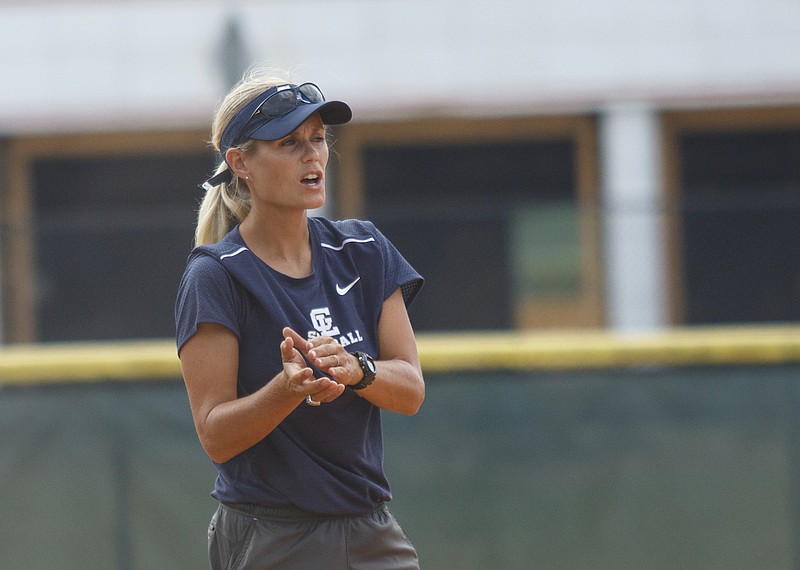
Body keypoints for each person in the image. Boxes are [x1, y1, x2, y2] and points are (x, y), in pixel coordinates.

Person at [174, 67, 425, 570]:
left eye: (317, 139)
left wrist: (359, 370)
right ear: (240, 162)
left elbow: (411, 389)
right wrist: (286, 390)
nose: (312, 155)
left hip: (370, 527)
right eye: (289, 142)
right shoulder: (215, 275)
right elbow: (215, 435)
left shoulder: (364, 248)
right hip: (271, 534)